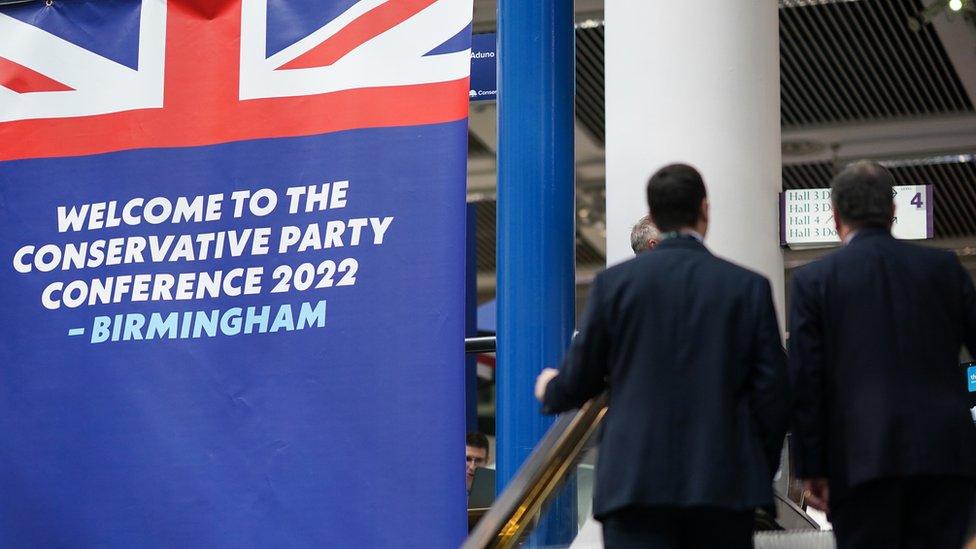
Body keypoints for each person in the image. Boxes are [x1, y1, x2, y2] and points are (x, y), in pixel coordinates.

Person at [535, 163, 790, 549]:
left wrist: (550, 387)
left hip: (635, 490)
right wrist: (755, 470)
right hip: (722, 490)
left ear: (653, 215)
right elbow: (773, 395)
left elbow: (580, 380)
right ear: (705, 210)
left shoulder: (613, 286)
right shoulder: (746, 288)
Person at [789, 161, 976, 548]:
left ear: (835, 215)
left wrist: (812, 468)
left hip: (860, 463)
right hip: (944, 459)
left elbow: (807, 382)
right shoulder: (943, 268)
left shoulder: (814, 281)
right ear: (893, 211)